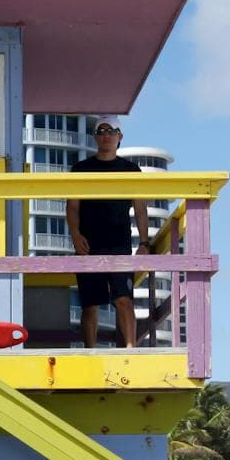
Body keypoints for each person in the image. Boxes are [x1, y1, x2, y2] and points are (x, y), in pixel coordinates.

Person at [65, 118, 148, 348]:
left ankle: (131, 349)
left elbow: (140, 209)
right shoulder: (80, 169)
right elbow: (72, 207)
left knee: (124, 298)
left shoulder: (131, 170)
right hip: (88, 244)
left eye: (112, 131)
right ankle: (90, 351)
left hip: (119, 243)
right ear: (95, 136)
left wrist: (144, 243)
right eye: (101, 131)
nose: (106, 135)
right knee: (90, 303)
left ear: (120, 137)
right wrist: (75, 234)